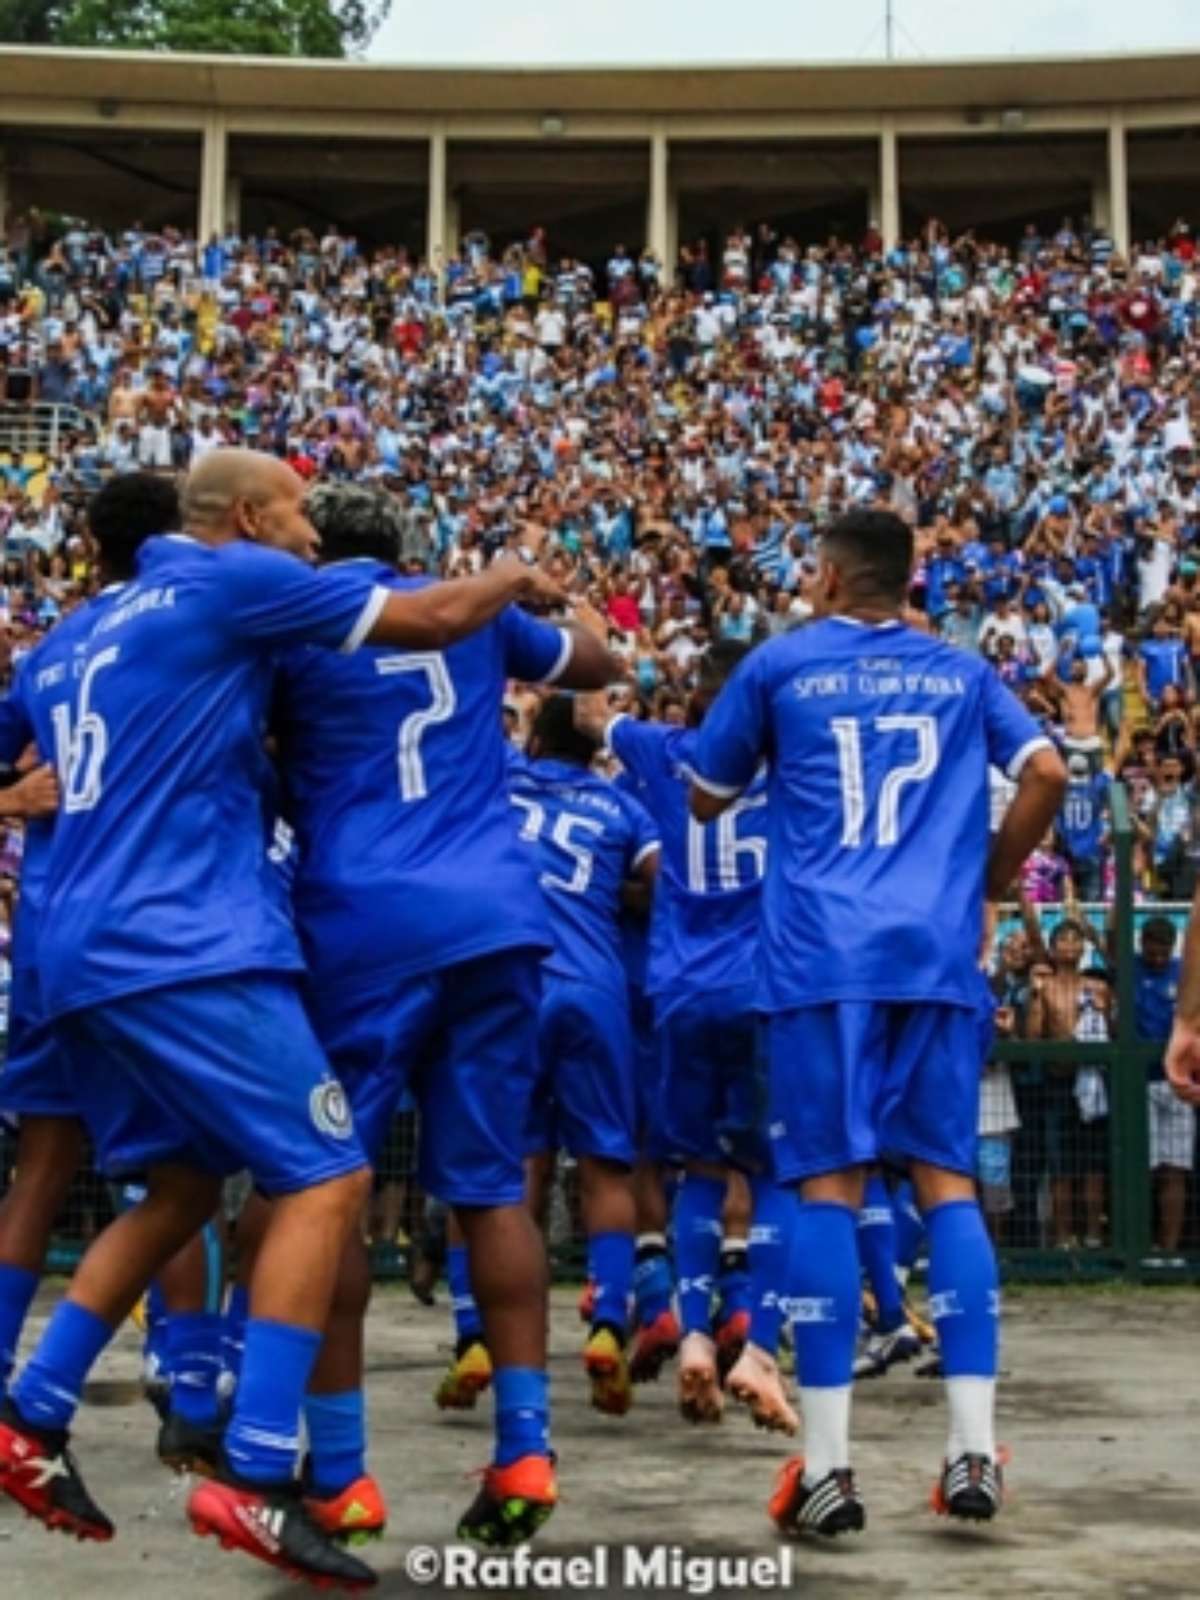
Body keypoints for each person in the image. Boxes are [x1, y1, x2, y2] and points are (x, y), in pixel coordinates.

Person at [0, 449, 568, 1591]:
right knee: (324, 1179)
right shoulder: (233, 584)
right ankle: (259, 1474)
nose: (314, 537)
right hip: (188, 942)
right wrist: (514, 572)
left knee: (179, 1187)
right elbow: (436, 613)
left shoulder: (67, 638)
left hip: (69, 943)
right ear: (252, 518)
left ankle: (31, 1415)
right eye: (302, 515)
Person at [689, 509, 1066, 1532]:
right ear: (909, 581)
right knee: (947, 1184)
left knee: (827, 1188)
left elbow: (704, 796)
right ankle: (975, 1450)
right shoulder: (962, 670)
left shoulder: (780, 664)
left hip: (821, 957)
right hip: (935, 955)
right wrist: (988, 872)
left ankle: (827, 1468)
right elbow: (1049, 772)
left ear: (824, 576)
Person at [272, 485, 618, 1547]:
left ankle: (342, 1473)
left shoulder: (293, 626)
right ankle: (524, 1448)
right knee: (490, 1191)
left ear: (319, 550)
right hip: (493, 918)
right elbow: (599, 663)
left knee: (327, 1193)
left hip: (362, 922)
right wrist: (556, 588)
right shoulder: (468, 609)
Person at [577, 643, 797, 1438]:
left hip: (677, 991)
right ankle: (759, 1347)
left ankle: (697, 1329)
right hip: (763, 987)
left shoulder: (659, 749)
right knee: (773, 1170)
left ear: (696, 697)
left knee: (697, 1165)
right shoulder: (789, 765)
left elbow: (593, 712)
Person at [512, 695, 659, 1416]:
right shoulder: (617, 808)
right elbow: (661, 882)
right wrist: (614, 892)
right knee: (607, 1163)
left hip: (517, 980)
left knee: (521, 1164)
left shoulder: (501, 780)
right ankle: (608, 1320)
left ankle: (497, 1333)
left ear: (535, 737)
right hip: (595, 982)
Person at [1136, 918, 1190, 1259]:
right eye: (1152, 949)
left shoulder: (1184, 974)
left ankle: (1169, 1251)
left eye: (1164, 950)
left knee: (1175, 1169)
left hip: (1178, 1082)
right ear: (1142, 943)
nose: (1158, 957)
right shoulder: (1128, 967)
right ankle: (1141, 1247)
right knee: (1144, 1169)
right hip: (1138, 1081)